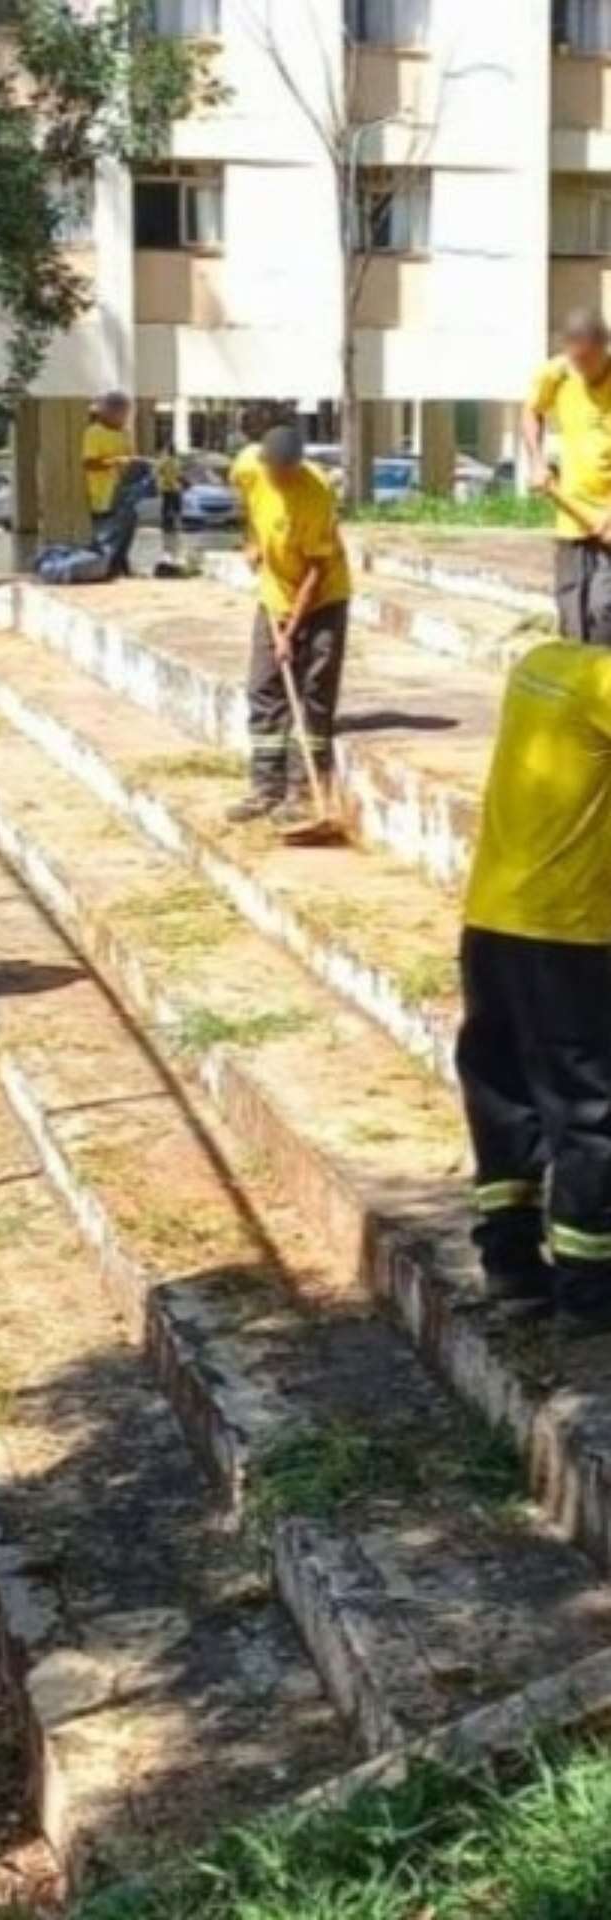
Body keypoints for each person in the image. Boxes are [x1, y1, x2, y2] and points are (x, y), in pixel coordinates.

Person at [457, 637, 611, 1336]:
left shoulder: (539, 665)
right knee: (589, 1112)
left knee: (504, 1097)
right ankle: (590, 1291)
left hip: (490, 921)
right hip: (568, 938)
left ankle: (511, 1268)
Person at [226, 421, 351, 826]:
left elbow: (316, 573)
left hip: (322, 597)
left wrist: (292, 629)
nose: (276, 479)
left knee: (312, 690)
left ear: (296, 467)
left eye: (284, 473)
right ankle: (266, 787)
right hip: (274, 591)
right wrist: (250, 540)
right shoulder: (249, 466)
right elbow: (245, 501)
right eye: (272, 471)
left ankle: (301, 789)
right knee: (263, 687)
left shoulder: (314, 495)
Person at [523, 308, 611, 647]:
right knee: (571, 614)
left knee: (604, 611)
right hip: (572, 520)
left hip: (606, 518)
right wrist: (536, 460)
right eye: (576, 361)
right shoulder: (556, 374)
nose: (582, 369)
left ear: (605, 347)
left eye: (589, 360)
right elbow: (531, 410)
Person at [82, 390, 136, 578]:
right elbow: (89, 463)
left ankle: (121, 565)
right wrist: (115, 462)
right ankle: (103, 567)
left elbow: (130, 457)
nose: (125, 418)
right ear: (110, 412)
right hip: (103, 494)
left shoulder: (125, 433)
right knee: (107, 533)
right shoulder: (94, 432)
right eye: (123, 413)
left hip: (125, 491)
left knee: (127, 529)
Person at [156, 439, 183, 537]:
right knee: (171, 506)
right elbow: (159, 471)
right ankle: (168, 525)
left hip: (170, 487)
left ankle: (169, 525)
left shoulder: (168, 460)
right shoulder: (171, 460)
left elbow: (158, 471)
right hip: (170, 487)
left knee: (170, 506)